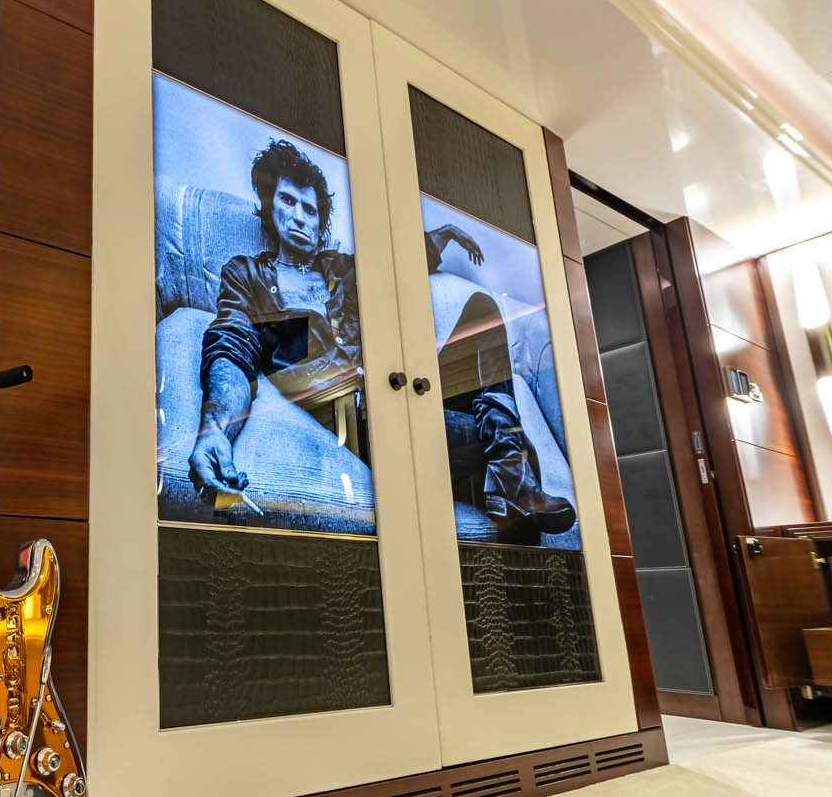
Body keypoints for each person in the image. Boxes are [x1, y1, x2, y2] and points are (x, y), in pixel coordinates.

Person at [188, 139, 574, 541]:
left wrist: (444, 234)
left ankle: (510, 472)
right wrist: (214, 428)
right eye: (288, 202)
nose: (300, 217)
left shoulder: (340, 268)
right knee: (490, 441)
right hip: (361, 415)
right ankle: (512, 474)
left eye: (310, 209)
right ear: (270, 207)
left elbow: (397, 265)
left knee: (481, 308)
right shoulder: (248, 275)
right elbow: (230, 346)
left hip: (401, 387)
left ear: (321, 222)